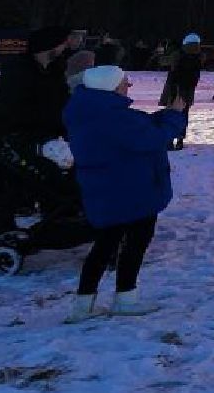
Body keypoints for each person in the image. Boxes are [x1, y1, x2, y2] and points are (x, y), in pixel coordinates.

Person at [63, 64, 187, 321]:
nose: (128, 86)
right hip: (133, 191)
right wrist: (175, 114)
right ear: (110, 87)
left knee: (104, 245)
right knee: (134, 245)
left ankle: (83, 305)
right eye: (124, 82)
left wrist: (164, 114)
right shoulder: (115, 117)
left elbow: (141, 125)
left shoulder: (88, 111)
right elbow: (152, 137)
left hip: (106, 190)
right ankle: (125, 299)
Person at [0, 27, 76, 236]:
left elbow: (61, 103)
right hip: (12, 140)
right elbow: (11, 111)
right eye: (62, 43)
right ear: (49, 46)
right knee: (12, 183)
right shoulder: (17, 73)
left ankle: (56, 219)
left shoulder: (54, 71)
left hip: (44, 138)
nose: (65, 48)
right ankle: (2, 231)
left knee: (55, 177)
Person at [162, 34, 202, 150]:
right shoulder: (198, 56)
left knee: (171, 114)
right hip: (188, 90)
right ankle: (180, 139)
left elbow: (169, 66)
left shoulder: (178, 54)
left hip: (175, 88)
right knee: (184, 115)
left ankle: (169, 140)